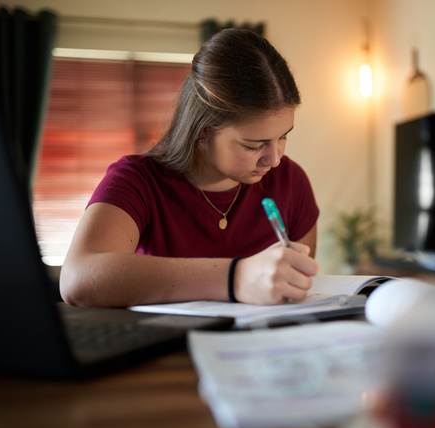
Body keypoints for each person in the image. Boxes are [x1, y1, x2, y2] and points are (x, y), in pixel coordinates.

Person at [60, 28, 320, 308]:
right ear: (204, 132)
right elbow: (77, 280)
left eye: (283, 137)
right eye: (254, 145)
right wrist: (236, 278)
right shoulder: (138, 181)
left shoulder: (291, 181)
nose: (275, 159)